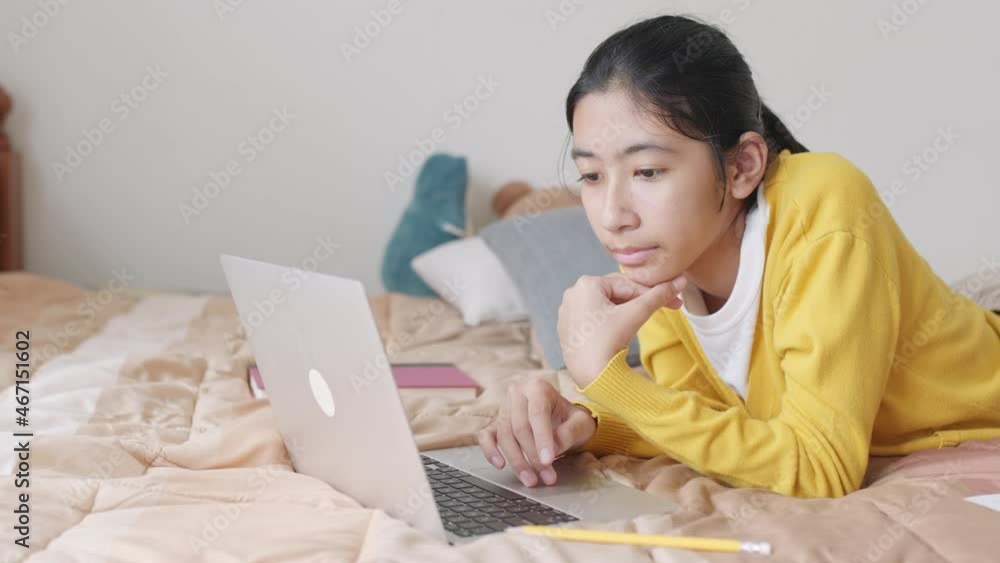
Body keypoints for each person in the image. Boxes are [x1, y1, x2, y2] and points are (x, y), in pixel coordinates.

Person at [477, 14, 1000, 498]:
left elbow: (821, 469)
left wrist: (608, 379)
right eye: (592, 176)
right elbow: (709, 423)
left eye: (648, 172)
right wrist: (588, 421)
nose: (613, 215)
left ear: (744, 165)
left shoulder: (826, 207)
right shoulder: (661, 261)